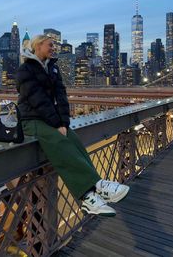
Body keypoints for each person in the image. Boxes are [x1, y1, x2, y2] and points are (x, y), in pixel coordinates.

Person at [16, 34, 129, 216]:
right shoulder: (25, 70)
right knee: (59, 141)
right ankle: (89, 194)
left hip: (47, 119)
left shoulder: (52, 68)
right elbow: (38, 100)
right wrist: (55, 124)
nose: (54, 48)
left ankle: (94, 192)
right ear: (38, 46)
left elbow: (61, 96)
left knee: (72, 138)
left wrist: (63, 122)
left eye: (54, 45)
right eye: (50, 45)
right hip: (31, 120)